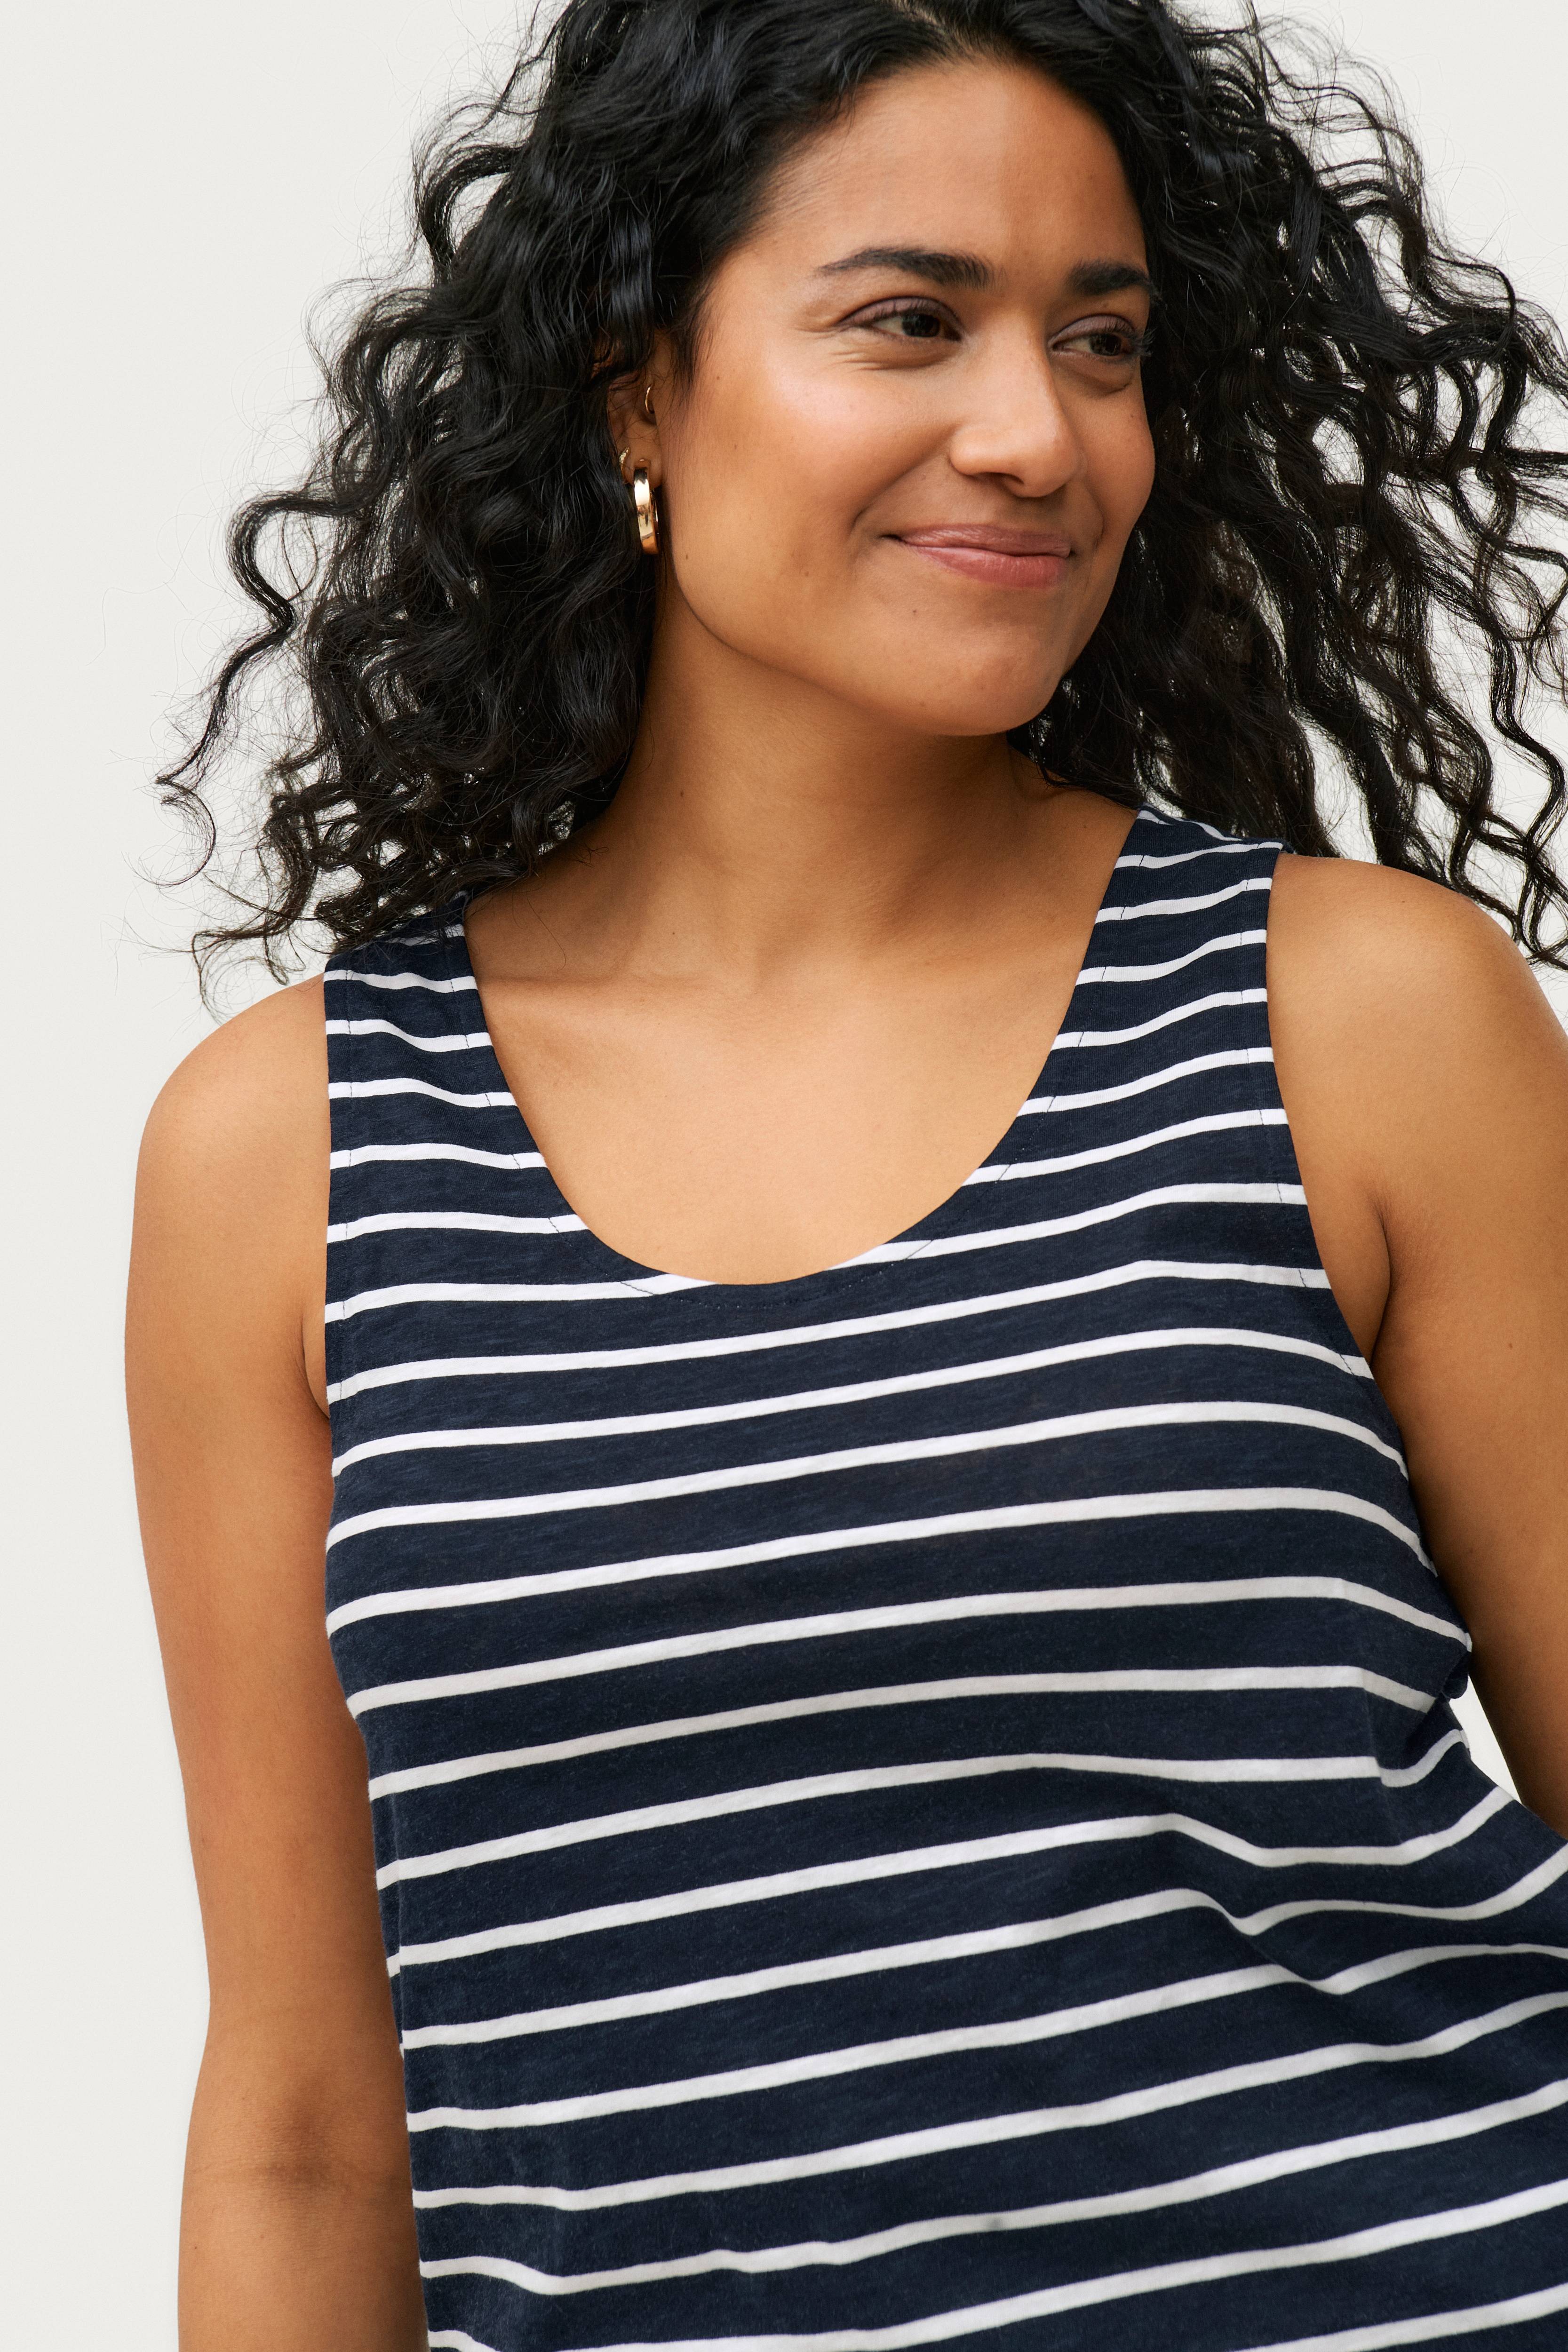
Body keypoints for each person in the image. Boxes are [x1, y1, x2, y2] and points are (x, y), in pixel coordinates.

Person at [127, 1, 1568, 2344]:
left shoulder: (1361, 1021)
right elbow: (306, 2125)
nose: (1036, 434)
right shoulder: (286, 1154)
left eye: (1102, 341)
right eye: (910, 320)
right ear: (638, 390)